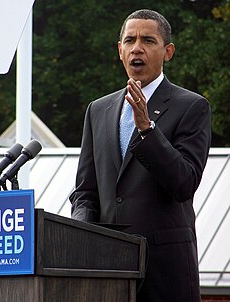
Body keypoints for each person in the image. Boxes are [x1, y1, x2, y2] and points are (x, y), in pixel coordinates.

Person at [69, 9, 211, 302]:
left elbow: (184, 183)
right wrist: (82, 237)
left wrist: (147, 130)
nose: (137, 48)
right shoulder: (98, 110)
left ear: (168, 51)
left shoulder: (192, 107)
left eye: (148, 40)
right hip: (108, 272)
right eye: (130, 40)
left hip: (165, 271)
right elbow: (86, 191)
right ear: (119, 50)